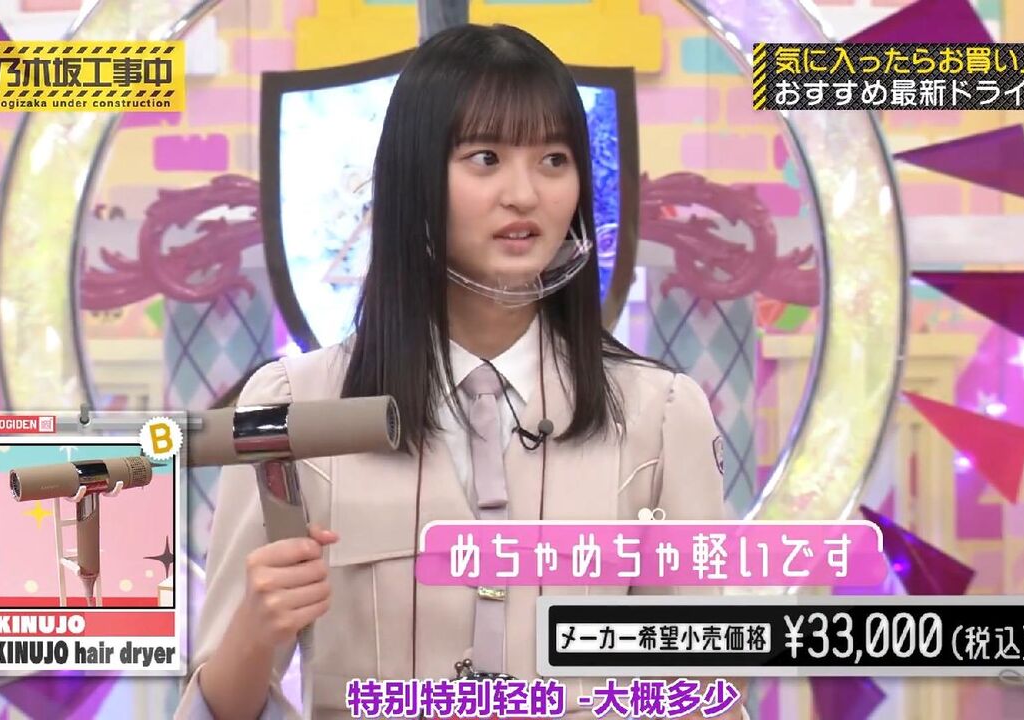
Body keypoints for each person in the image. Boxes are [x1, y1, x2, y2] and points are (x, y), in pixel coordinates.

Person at [176, 23, 734, 720]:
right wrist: (256, 630)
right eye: (486, 158)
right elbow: (217, 705)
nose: (525, 194)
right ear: (414, 180)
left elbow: (701, 692)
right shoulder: (289, 407)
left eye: (554, 159)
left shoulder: (662, 416)